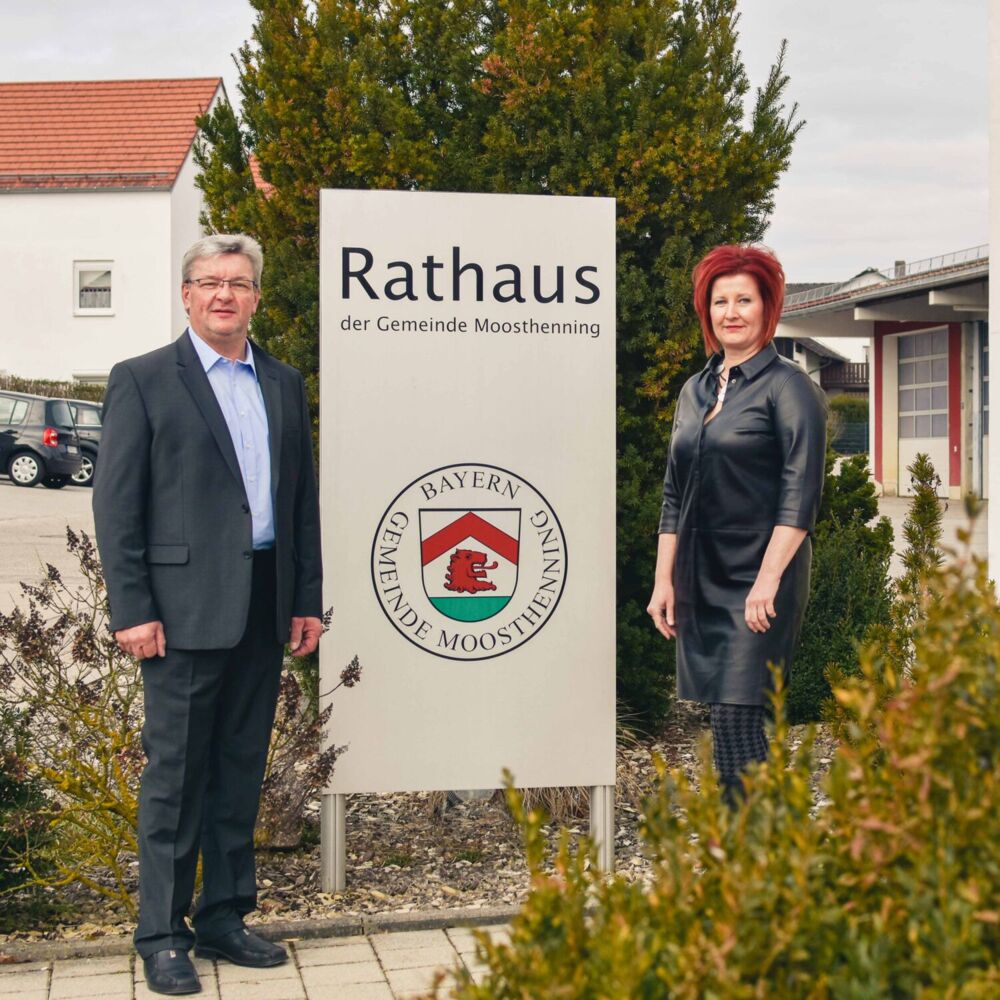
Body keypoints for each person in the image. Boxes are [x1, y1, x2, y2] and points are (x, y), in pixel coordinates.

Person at [93, 234, 323, 996]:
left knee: (238, 770)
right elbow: (117, 507)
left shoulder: (282, 383)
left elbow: (300, 501)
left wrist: (305, 599)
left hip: (263, 603)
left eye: (239, 282)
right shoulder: (143, 381)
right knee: (176, 777)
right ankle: (162, 936)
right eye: (210, 281)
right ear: (187, 294)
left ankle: (224, 916)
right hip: (180, 613)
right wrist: (132, 608)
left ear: (256, 296)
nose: (224, 294)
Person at [647, 244, 826, 805]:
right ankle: (750, 834)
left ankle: (754, 835)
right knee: (722, 719)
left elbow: (801, 493)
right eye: (720, 301)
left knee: (738, 712)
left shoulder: (790, 387)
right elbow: (674, 492)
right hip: (701, 574)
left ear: (767, 307)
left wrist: (767, 581)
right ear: (707, 310)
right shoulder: (694, 390)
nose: (731, 312)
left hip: (762, 573)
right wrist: (663, 580)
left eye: (744, 300)